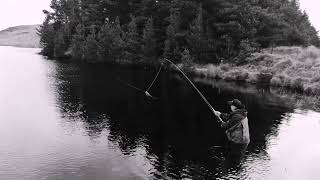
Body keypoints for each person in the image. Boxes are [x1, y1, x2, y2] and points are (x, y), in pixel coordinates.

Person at [215, 99, 250, 164]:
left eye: (231, 105)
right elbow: (229, 117)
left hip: (239, 141)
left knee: (233, 160)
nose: (230, 106)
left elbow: (225, 126)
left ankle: (233, 168)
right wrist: (220, 114)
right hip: (244, 140)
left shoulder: (237, 116)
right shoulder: (241, 113)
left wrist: (218, 119)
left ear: (234, 107)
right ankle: (236, 168)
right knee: (237, 159)